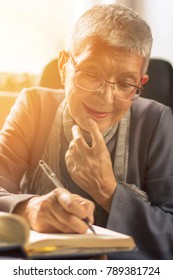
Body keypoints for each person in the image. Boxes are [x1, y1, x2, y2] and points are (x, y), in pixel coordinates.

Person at [0, 4, 173, 260]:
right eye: (91, 74)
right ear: (63, 66)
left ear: (140, 82)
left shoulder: (158, 121)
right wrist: (29, 207)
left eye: (125, 83)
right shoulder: (33, 107)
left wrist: (108, 190)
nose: (104, 98)